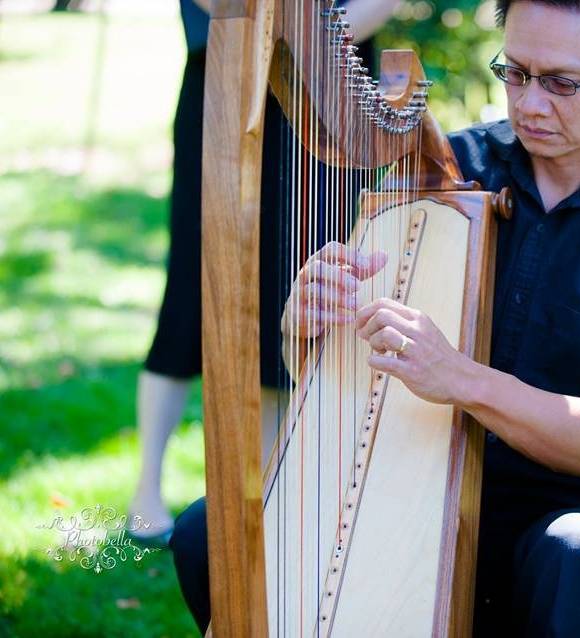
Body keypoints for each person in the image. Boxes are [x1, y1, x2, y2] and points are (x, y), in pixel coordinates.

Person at [170, 0, 580, 634]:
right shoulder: (446, 170)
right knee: (206, 532)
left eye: (561, 82)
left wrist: (459, 377)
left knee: (571, 551)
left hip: (579, 516)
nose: (530, 104)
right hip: (414, 490)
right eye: (514, 72)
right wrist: (305, 329)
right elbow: (356, 378)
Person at [127, 0, 397, 545]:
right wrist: (270, 29)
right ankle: (145, 489)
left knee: (296, 279)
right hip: (226, 72)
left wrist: (314, 41)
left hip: (330, 86)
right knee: (191, 282)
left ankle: (270, 489)